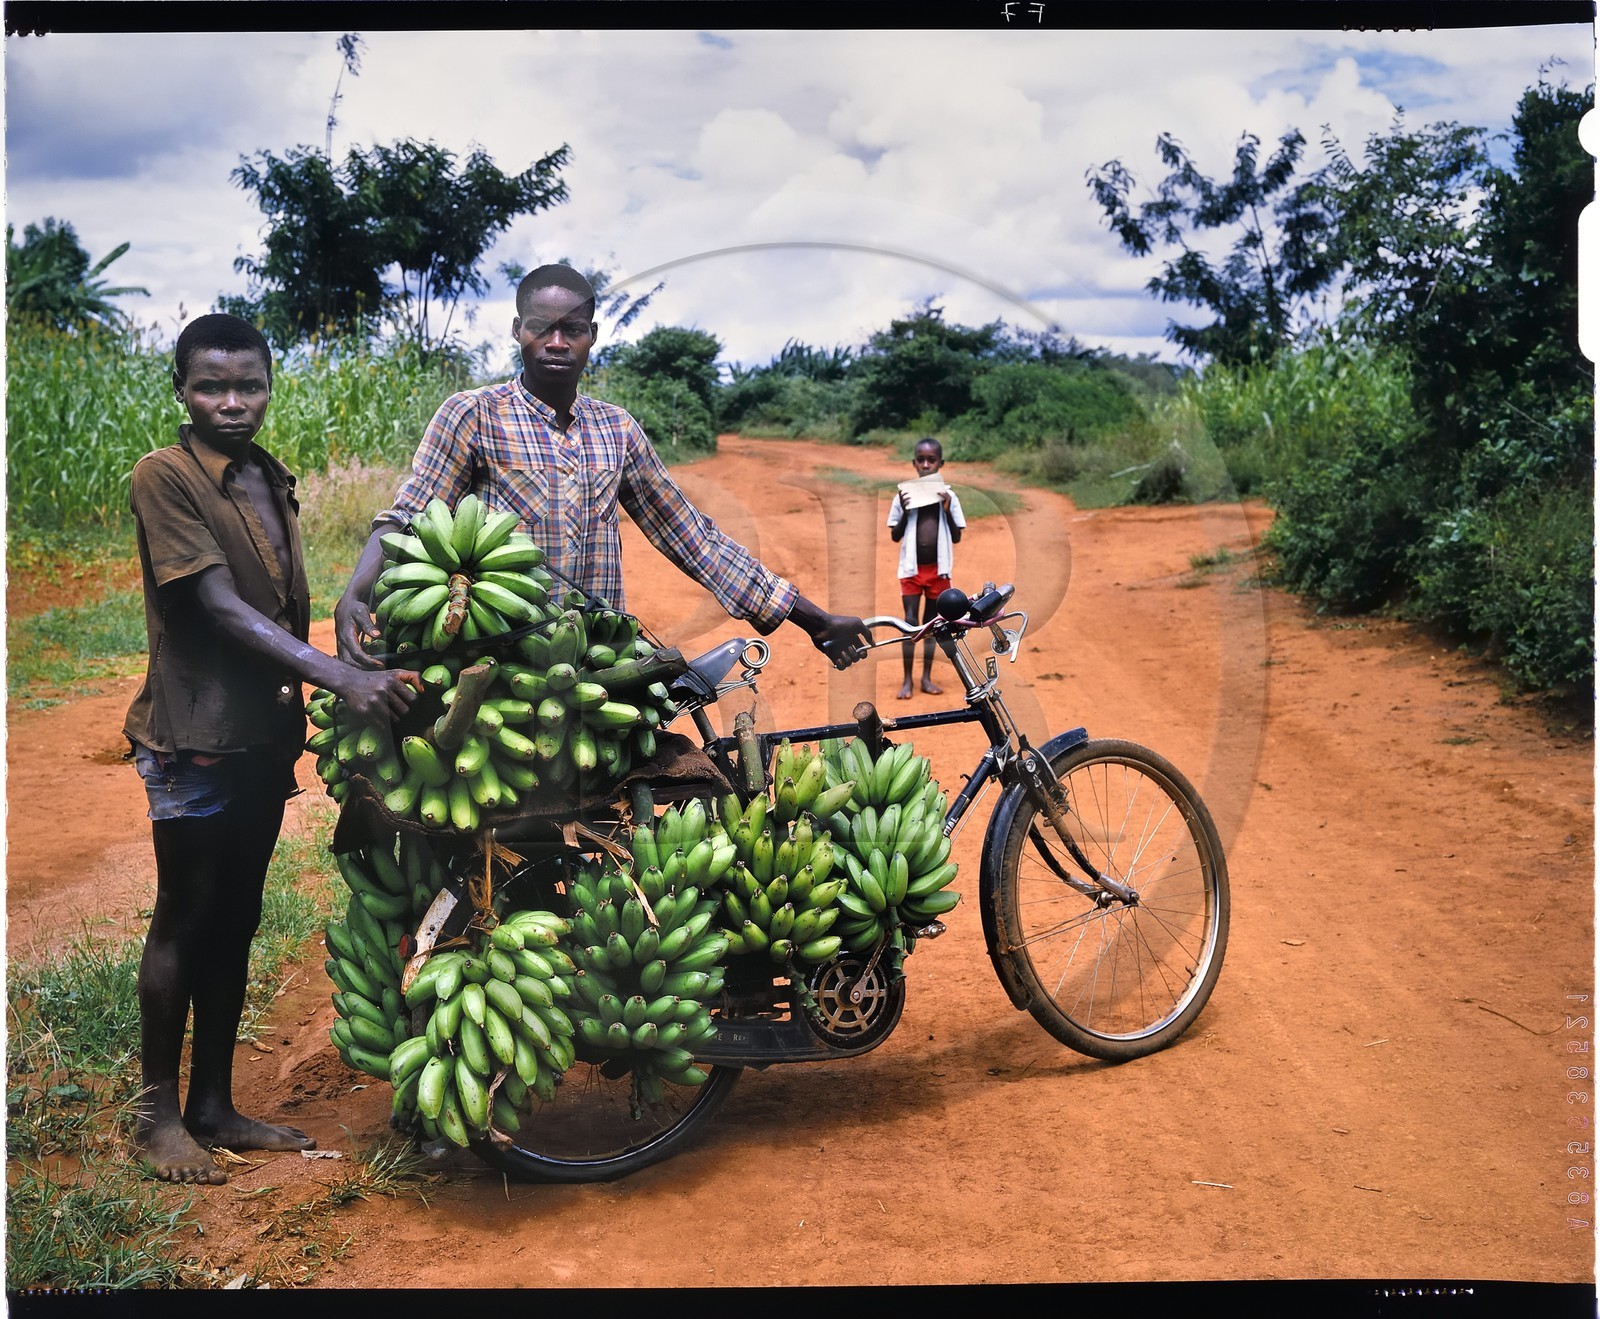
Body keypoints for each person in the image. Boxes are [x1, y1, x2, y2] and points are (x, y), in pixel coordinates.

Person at [123, 313, 421, 1185]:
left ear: (268, 385)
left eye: (247, 384)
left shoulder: (268, 477)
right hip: (195, 734)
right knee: (186, 912)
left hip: (262, 735)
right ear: (180, 389)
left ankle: (212, 1103)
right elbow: (215, 605)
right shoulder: (166, 476)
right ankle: (155, 1111)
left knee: (239, 916)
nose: (231, 401)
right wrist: (340, 677)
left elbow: (286, 603)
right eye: (211, 385)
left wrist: (353, 643)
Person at [335, 265, 871, 671]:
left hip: (596, 658)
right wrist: (356, 590)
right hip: (493, 655)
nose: (556, 342)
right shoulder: (473, 414)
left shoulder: (617, 430)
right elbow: (406, 517)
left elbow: (692, 537)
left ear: (592, 335)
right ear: (518, 329)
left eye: (573, 329)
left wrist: (812, 619)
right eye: (542, 327)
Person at [887, 437, 965, 699]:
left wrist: (947, 509)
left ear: (940, 464)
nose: (925, 464)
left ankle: (926, 677)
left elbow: (956, 536)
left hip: (938, 570)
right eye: (921, 459)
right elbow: (895, 536)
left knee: (933, 624)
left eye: (931, 460)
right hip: (911, 569)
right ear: (914, 463)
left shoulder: (949, 497)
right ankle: (907, 679)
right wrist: (907, 512)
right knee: (910, 623)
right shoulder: (903, 496)